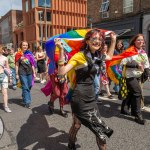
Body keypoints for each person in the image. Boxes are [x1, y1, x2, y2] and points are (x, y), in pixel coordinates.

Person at [55, 29, 116, 150]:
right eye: (94, 39)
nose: (97, 41)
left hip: (91, 97)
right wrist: (61, 50)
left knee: (98, 130)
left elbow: (109, 56)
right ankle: (71, 145)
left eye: (99, 39)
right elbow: (61, 72)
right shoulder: (79, 56)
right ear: (87, 41)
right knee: (78, 125)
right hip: (79, 97)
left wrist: (113, 40)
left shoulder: (98, 56)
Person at [120, 34, 150, 125]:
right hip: (130, 76)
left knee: (130, 93)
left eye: (142, 40)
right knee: (137, 93)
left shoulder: (143, 53)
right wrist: (136, 65)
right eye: (138, 40)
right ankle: (137, 115)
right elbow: (122, 63)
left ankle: (124, 109)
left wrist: (148, 74)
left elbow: (147, 65)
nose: (141, 42)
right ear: (134, 41)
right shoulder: (129, 51)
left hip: (139, 76)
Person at [15, 41, 36, 109]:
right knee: (26, 87)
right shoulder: (18, 54)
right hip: (22, 72)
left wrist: (34, 73)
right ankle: (27, 102)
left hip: (29, 72)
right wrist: (16, 74)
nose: (25, 46)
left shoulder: (30, 54)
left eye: (26, 45)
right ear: (21, 46)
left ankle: (24, 95)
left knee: (29, 86)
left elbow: (32, 64)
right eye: (24, 45)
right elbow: (17, 64)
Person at [0, 45, 12, 112]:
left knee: (5, 92)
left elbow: (8, 68)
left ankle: (6, 106)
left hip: (4, 76)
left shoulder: (5, 58)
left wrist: (10, 77)